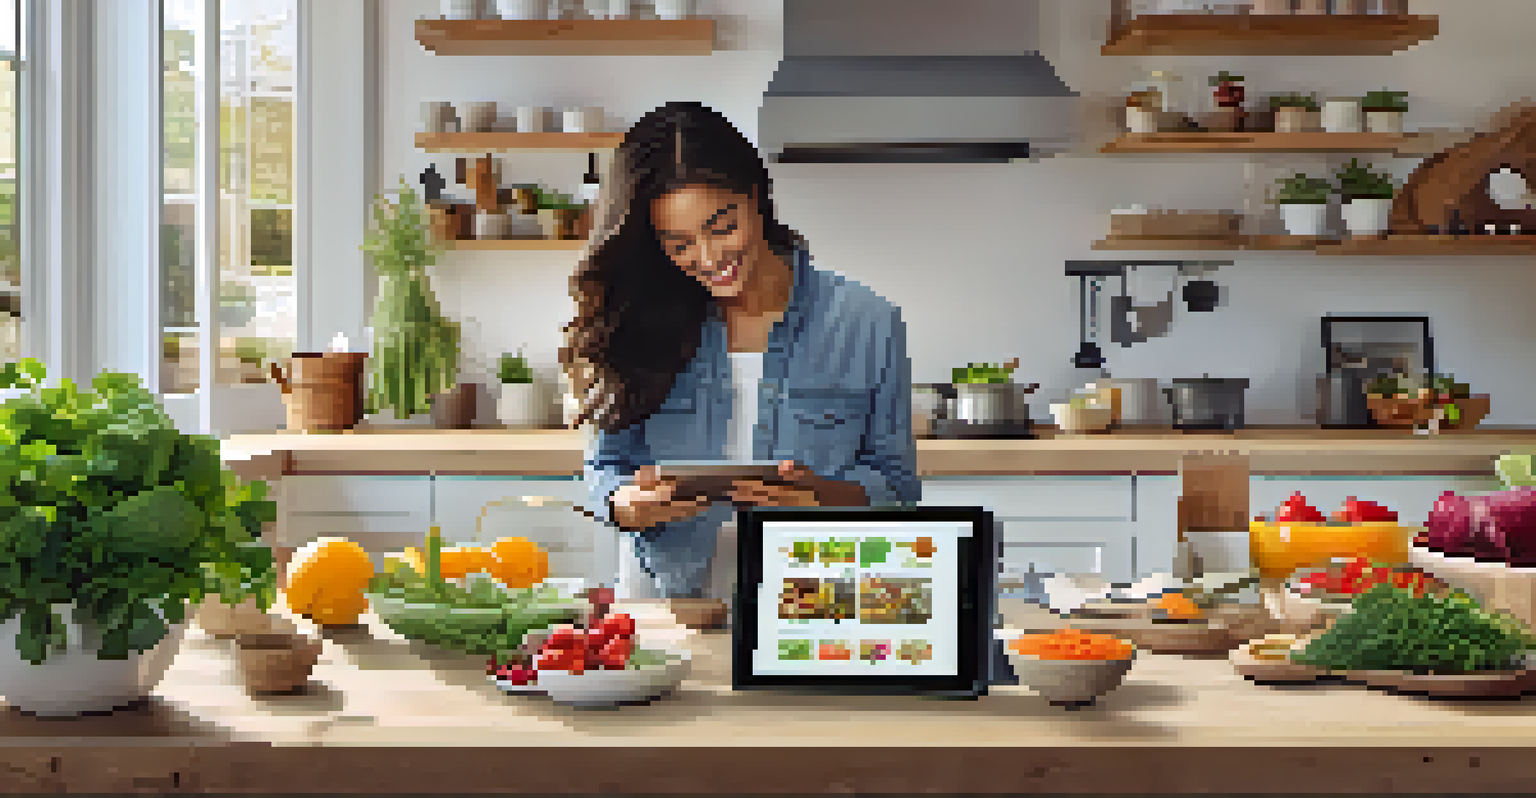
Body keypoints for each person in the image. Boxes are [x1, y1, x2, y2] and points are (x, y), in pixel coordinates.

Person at [560, 101, 919, 600]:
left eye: (722, 226)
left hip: (815, 600)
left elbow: (897, 491)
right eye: (678, 243)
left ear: (756, 195)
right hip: (668, 603)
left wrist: (820, 497)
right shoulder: (640, 320)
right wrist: (626, 504)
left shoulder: (866, 321)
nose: (708, 259)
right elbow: (607, 467)